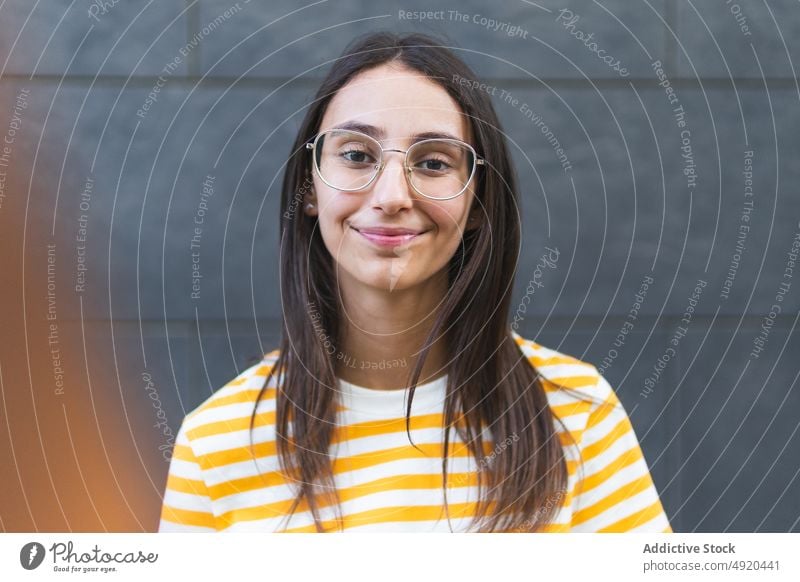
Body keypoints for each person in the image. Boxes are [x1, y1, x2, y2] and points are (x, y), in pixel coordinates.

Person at [158, 31, 671, 533]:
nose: (391, 196)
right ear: (309, 189)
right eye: (357, 155)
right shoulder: (214, 446)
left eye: (432, 163)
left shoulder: (579, 416)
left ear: (476, 205)